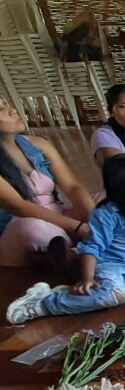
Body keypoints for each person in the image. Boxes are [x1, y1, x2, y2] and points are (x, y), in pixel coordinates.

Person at [7, 155, 125, 324]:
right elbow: (93, 247)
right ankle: (44, 303)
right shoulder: (107, 214)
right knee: (114, 295)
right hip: (109, 263)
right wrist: (88, 278)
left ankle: (85, 294)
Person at [0, 96, 95, 269]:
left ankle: (77, 253)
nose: (13, 110)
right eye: (1, 110)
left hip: (60, 215)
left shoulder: (38, 144)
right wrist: (78, 227)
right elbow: (19, 207)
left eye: (6, 104)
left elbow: (73, 186)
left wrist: (95, 217)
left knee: (107, 200)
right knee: (32, 229)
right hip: (23, 225)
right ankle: (78, 254)